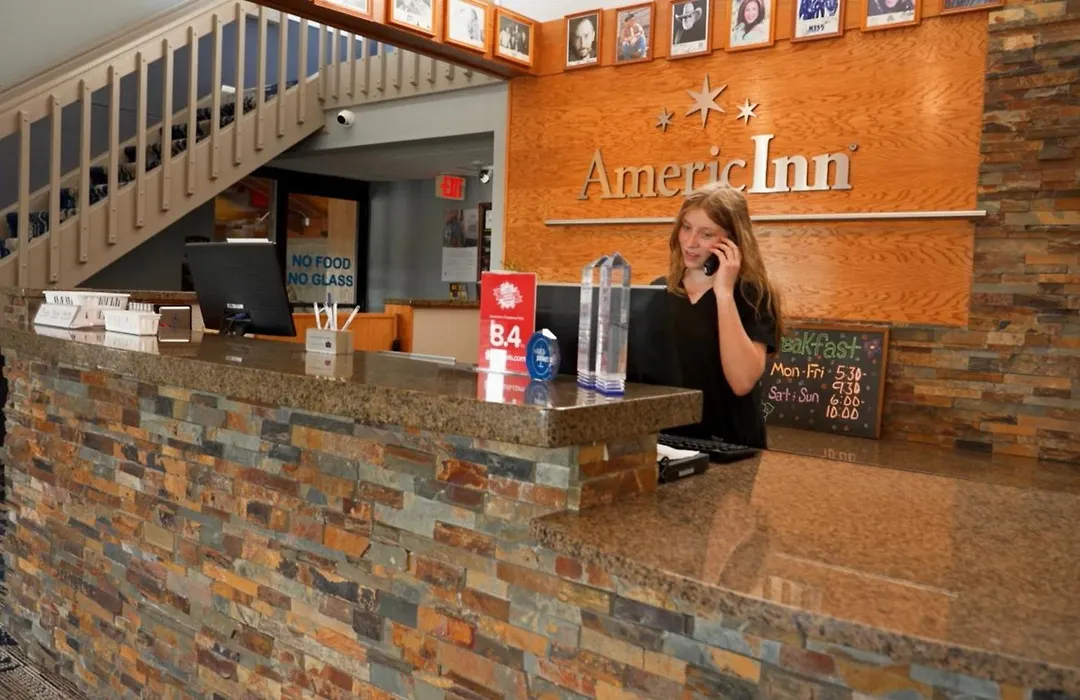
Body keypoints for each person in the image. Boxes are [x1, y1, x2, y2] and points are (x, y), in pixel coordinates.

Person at [652, 183, 782, 448]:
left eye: (706, 234)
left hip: (729, 445)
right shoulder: (659, 292)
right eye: (686, 227)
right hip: (668, 440)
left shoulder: (752, 295)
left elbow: (742, 381)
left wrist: (724, 294)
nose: (690, 242)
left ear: (731, 240)